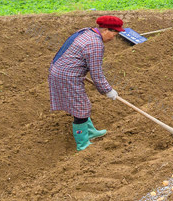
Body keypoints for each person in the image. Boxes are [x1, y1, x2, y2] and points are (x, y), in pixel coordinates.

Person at [48, 15, 123, 151]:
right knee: (81, 108)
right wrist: (108, 90)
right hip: (67, 75)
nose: (113, 38)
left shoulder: (87, 32)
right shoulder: (95, 44)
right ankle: (82, 144)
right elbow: (96, 73)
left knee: (83, 103)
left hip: (61, 69)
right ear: (106, 29)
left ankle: (90, 131)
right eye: (114, 34)